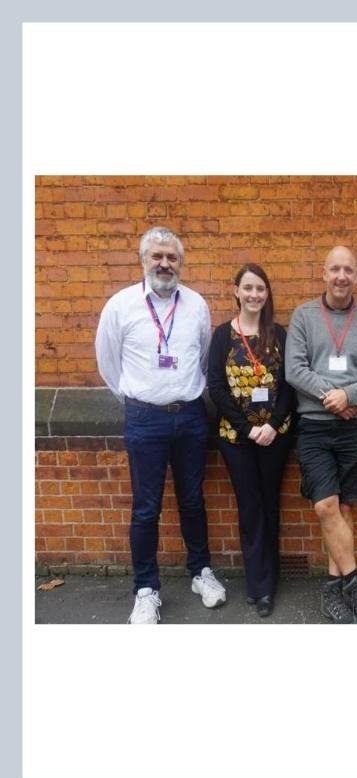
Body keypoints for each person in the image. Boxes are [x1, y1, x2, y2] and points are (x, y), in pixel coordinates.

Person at [95, 226, 226, 624]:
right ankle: (146, 590)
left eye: (172, 257)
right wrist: (137, 399)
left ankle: (201, 572)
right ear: (144, 260)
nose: (165, 264)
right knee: (146, 509)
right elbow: (107, 362)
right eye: (158, 256)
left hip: (189, 416)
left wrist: (182, 392)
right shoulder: (120, 306)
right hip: (144, 419)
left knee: (192, 500)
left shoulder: (197, 306)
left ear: (181, 263)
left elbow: (203, 357)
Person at [285, 245, 357, 624]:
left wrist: (350, 396)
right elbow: (294, 370)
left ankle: (333, 589)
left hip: (354, 425)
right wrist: (333, 398)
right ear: (323, 274)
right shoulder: (304, 317)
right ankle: (356, 583)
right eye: (335, 270)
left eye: (348, 270)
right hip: (314, 426)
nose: (341, 276)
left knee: (344, 509)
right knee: (325, 506)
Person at [207, 264, 295, 618]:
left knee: (270, 503)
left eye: (261, 288)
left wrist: (272, 424)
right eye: (248, 288)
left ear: (267, 293)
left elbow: (290, 383)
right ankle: (258, 585)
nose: (255, 294)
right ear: (236, 291)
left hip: (276, 435)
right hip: (236, 437)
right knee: (249, 506)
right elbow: (216, 386)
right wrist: (247, 428)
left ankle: (269, 583)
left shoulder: (279, 334)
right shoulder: (222, 336)